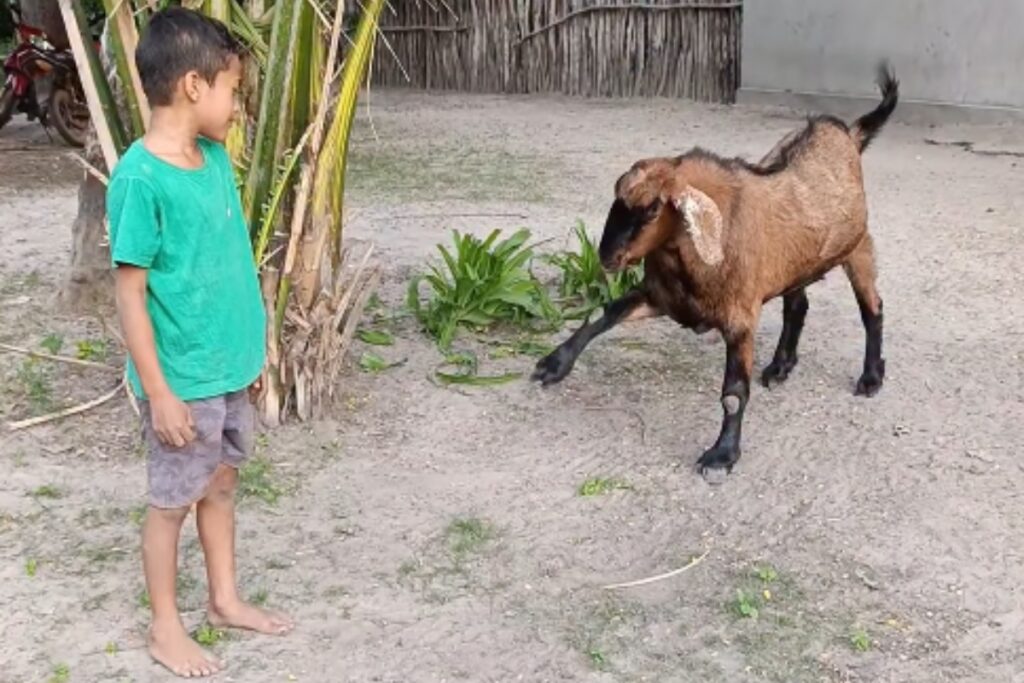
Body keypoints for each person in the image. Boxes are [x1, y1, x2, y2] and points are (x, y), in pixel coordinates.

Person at [107, 7, 293, 678]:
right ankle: (165, 626)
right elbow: (130, 292)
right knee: (170, 504)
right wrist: (159, 391)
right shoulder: (139, 179)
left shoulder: (212, 161)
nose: (238, 106)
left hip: (229, 368)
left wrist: (253, 351)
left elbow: (227, 262)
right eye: (231, 89)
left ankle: (224, 598)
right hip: (181, 379)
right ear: (193, 85)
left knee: (219, 483)